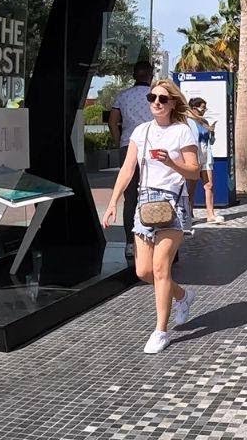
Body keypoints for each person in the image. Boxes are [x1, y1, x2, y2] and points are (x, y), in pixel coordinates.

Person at [102, 79, 200, 354]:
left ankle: (160, 331)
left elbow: (193, 170)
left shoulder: (182, 132)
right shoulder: (141, 132)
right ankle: (182, 296)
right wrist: (112, 202)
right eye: (152, 97)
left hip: (173, 203)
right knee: (143, 271)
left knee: (160, 269)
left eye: (162, 99)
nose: (156, 102)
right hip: (145, 202)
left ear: (172, 104)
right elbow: (127, 170)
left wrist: (171, 162)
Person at [109, 60, 156, 254]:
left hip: (128, 146)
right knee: (153, 192)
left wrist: (119, 141)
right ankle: (151, 238)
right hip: (153, 147)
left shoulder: (122, 96)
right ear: (150, 75)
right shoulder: (155, 96)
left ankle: (130, 243)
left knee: (130, 197)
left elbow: (113, 122)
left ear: (134, 75)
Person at [186, 97, 219, 225]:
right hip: (194, 156)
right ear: (194, 108)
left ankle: (210, 214)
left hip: (206, 155)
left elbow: (211, 141)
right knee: (191, 187)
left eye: (205, 108)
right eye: (202, 108)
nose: (204, 110)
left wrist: (212, 132)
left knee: (209, 185)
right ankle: (188, 212)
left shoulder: (204, 121)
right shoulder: (187, 121)